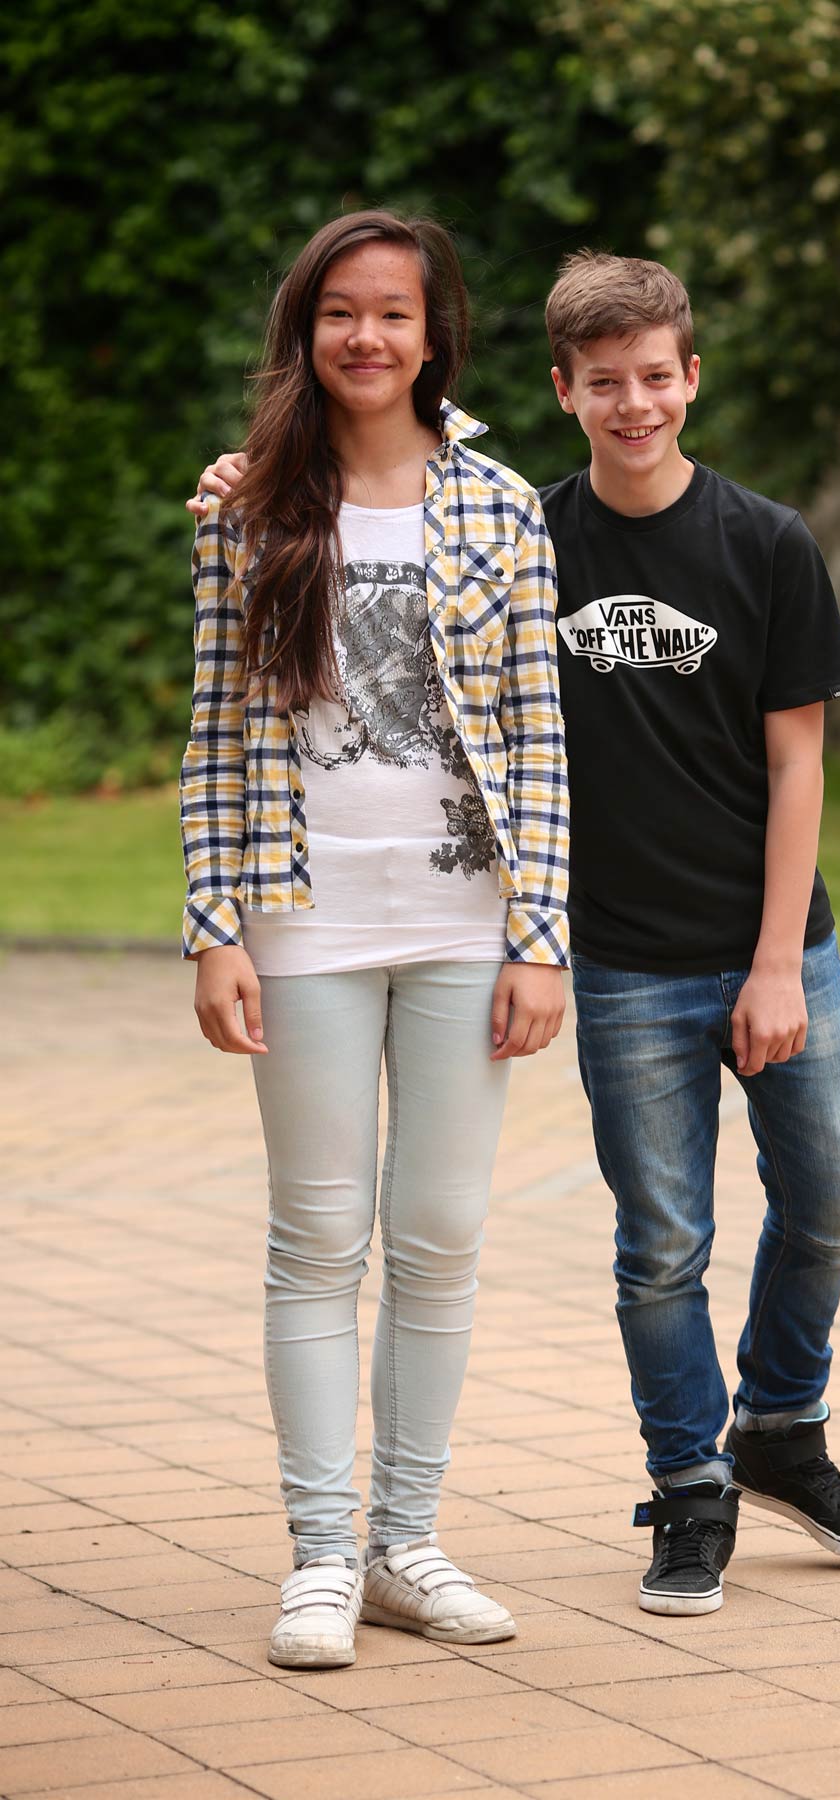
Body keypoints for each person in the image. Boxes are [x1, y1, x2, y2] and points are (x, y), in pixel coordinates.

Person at [189, 250, 840, 1623]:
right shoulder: (419, 517)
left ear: (692, 379)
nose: (636, 404)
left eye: (658, 378)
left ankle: (751, 1437)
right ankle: (625, 1498)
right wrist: (213, 919)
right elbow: (243, 699)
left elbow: (690, 757)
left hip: (632, 933)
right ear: (564, 389)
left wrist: (702, 953)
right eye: (604, 382)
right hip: (481, 941)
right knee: (590, 1242)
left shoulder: (663, 529)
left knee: (799, 1203)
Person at [180, 210, 569, 1670]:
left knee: (443, 1233)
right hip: (302, 921)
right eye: (340, 311)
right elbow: (216, 731)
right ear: (307, 327)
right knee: (316, 1239)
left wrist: (542, 936)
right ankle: (322, 1557)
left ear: (432, 335)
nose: (366, 336)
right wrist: (213, 925)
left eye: (393, 313)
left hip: (469, 923)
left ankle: (409, 1545)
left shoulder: (501, 505)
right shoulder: (247, 505)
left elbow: (541, 738)